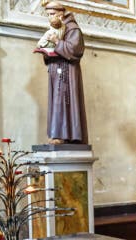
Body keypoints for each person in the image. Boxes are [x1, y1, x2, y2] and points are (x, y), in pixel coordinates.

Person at [35, 1, 88, 144]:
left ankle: (66, 135)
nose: (49, 17)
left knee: (63, 101)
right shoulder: (54, 28)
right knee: (56, 102)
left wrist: (57, 42)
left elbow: (75, 50)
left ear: (61, 13)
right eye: (48, 14)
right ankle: (56, 134)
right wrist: (45, 51)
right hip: (56, 71)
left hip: (67, 72)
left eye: (52, 14)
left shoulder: (73, 29)